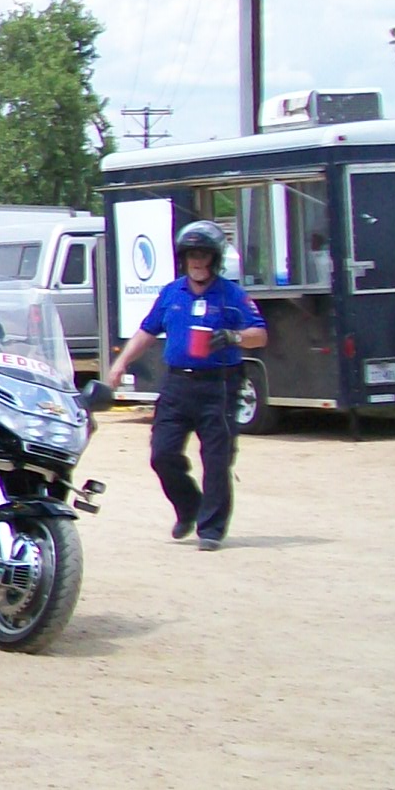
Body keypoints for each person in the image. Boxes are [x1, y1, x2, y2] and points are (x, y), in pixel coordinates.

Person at [97, 219, 267, 550]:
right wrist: (120, 363)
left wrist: (233, 337)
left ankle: (211, 529)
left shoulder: (232, 295)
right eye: (192, 255)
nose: (198, 261)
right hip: (177, 384)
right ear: (183, 258)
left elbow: (259, 335)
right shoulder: (171, 293)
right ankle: (189, 507)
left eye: (204, 255)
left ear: (215, 259)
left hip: (219, 384)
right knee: (162, 454)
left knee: (217, 460)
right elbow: (147, 331)